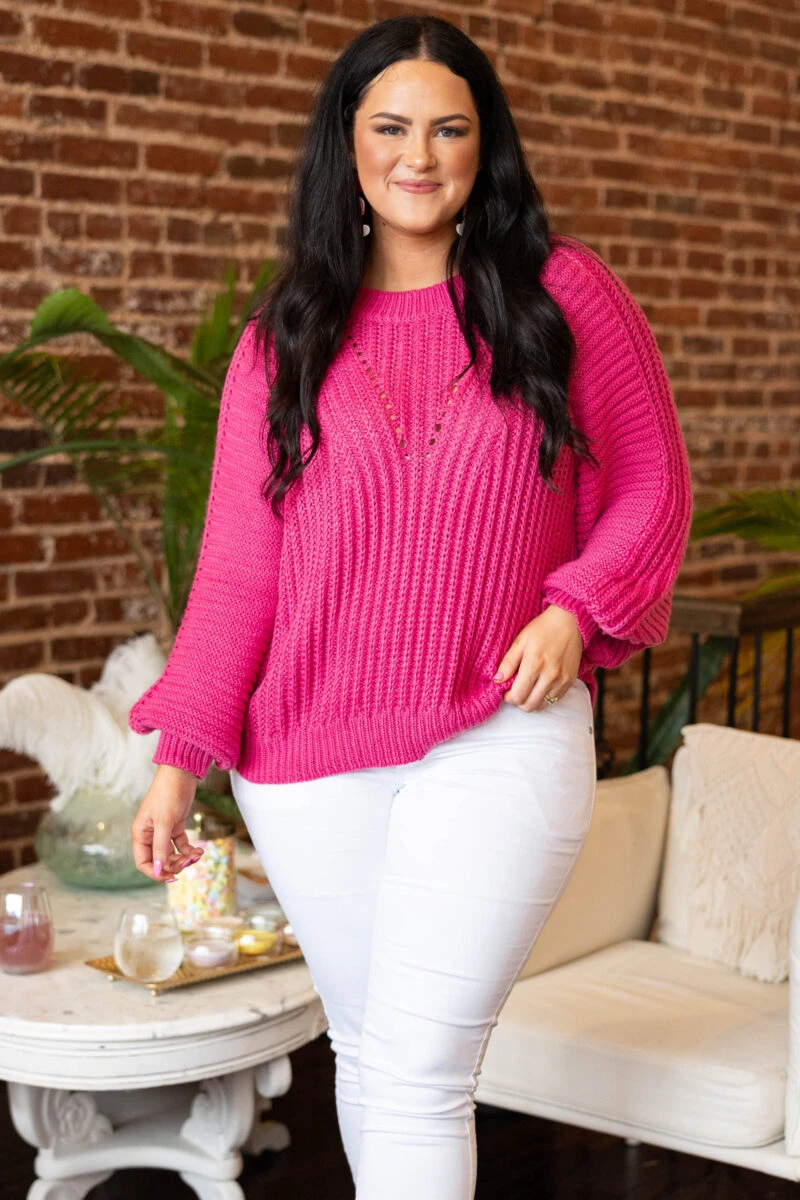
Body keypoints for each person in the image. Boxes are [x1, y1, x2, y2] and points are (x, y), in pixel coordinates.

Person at [128, 15, 694, 1199]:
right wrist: (179, 761)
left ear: (484, 148)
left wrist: (574, 608)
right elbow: (236, 573)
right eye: (390, 128)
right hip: (304, 759)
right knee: (374, 1054)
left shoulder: (561, 294)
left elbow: (651, 481)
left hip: (500, 727)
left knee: (418, 1070)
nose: (418, 156)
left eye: (448, 129)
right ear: (348, 144)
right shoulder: (281, 340)